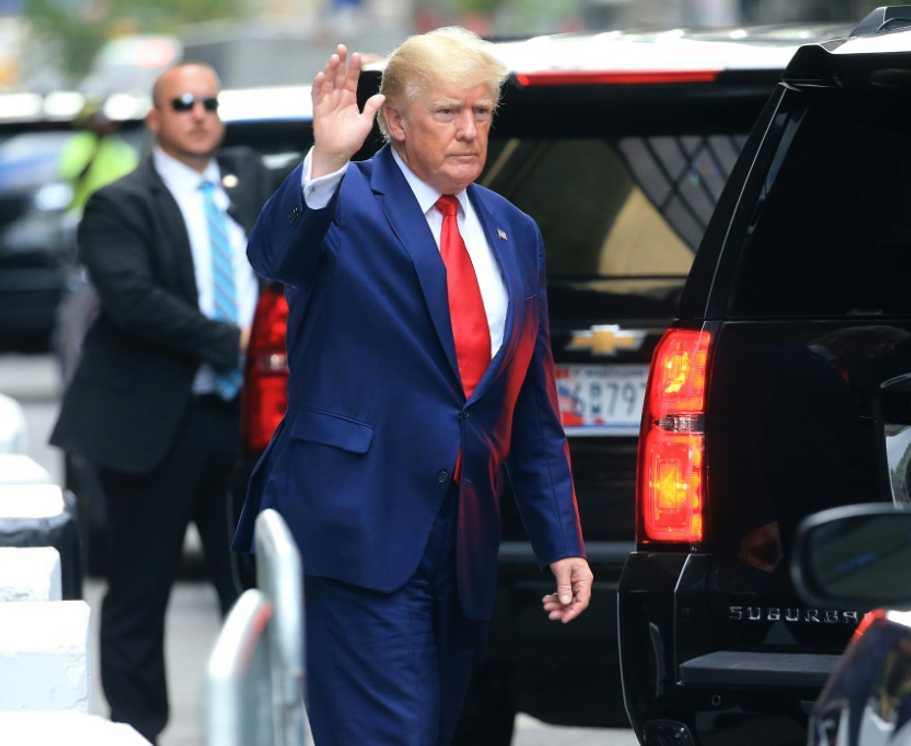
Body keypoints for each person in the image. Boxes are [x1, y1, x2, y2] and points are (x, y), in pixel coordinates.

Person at [232, 28, 593, 746]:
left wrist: (562, 541)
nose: (469, 132)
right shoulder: (345, 203)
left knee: (432, 729)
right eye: (447, 113)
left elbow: (529, 408)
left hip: (461, 542)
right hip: (355, 530)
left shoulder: (513, 231)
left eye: (482, 113)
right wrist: (327, 160)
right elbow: (274, 252)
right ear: (394, 122)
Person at [50, 63, 275, 743]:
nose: (199, 112)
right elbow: (133, 300)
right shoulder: (121, 202)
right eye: (182, 102)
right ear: (155, 118)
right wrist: (237, 340)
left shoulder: (250, 183)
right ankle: (138, 731)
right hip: (154, 426)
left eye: (209, 101)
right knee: (139, 594)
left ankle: (266, 727)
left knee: (255, 589)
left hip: (245, 425)